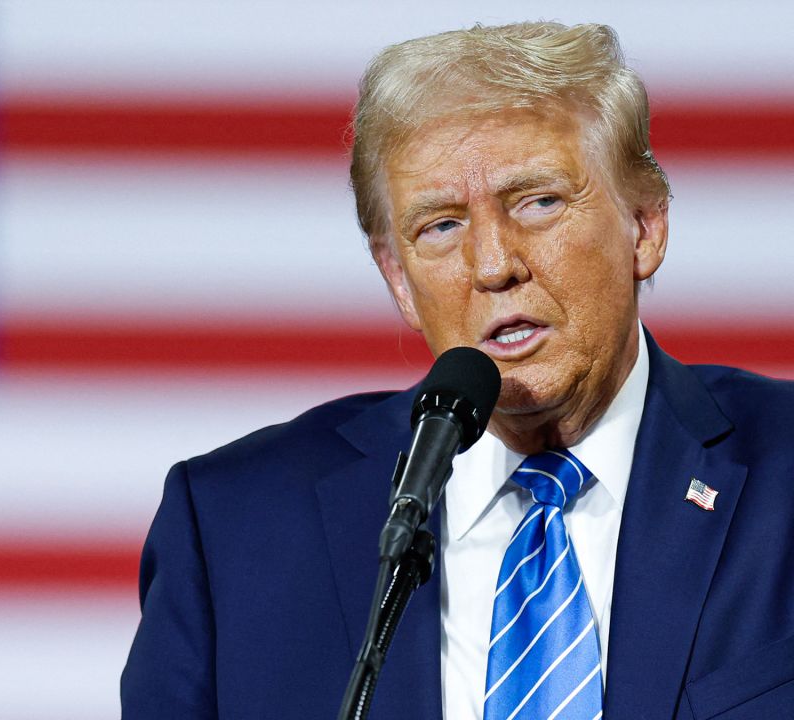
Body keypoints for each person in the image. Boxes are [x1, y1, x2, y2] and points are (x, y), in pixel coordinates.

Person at [120, 21, 794, 720]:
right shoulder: (235, 532)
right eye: (440, 226)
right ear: (400, 281)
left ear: (646, 226)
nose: (494, 264)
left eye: (539, 201)